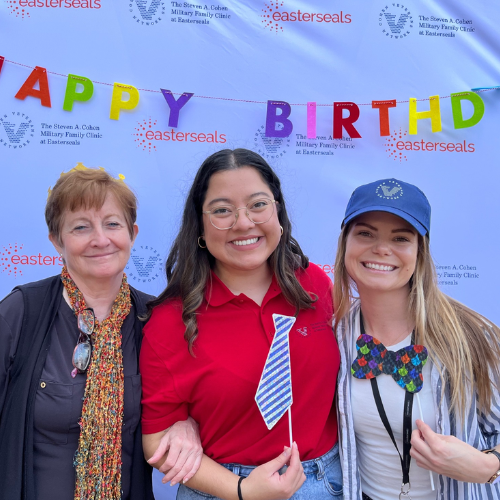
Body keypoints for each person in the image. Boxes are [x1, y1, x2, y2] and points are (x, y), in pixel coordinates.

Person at [140, 148, 342, 499]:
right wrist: (241, 489)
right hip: (223, 487)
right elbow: (156, 443)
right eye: (222, 211)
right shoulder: (172, 319)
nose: (243, 223)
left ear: (278, 210)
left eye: (258, 204)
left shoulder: (315, 286)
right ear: (200, 227)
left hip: (324, 480)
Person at [0, 168, 201, 500]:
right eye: (81, 227)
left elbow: (194, 402)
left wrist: (186, 423)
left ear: (132, 234)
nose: (100, 239)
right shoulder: (21, 311)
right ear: (56, 240)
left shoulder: (157, 318)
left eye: (112, 224)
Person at [333, 178, 500, 500]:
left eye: (401, 238)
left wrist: (486, 466)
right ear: (345, 243)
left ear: (419, 252)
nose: (382, 249)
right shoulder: (333, 335)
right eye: (365, 233)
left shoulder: (473, 336)